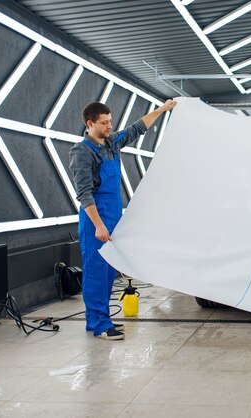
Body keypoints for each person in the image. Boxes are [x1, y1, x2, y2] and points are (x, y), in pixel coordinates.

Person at [69, 99, 177, 340]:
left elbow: (137, 128)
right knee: (96, 272)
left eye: (110, 121)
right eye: (104, 122)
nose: (110, 126)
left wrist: (163, 109)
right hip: (95, 220)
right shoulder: (82, 152)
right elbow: (84, 193)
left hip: (114, 216)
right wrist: (98, 225)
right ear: (90, 124)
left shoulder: (111, 144)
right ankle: (100, 325)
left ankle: (95, 319)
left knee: (109, 272)